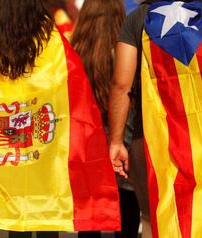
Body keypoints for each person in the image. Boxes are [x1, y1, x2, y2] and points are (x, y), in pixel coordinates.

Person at [0, 0, 121, 237]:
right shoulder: (51, 40)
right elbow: (72, 85)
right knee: (45, 218)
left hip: (7, 151)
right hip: (45, 152)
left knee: (16, 222)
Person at [109, 0, 202, 237]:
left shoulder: (139, 19)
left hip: (153, 136)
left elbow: (121, 85)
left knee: (155, 216)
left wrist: (116, 141)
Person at [70, 0, 129, 237]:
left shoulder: (73, 53)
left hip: (85, 146)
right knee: (126, 211)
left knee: (90, 218)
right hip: (121, 139)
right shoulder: (126, 52)